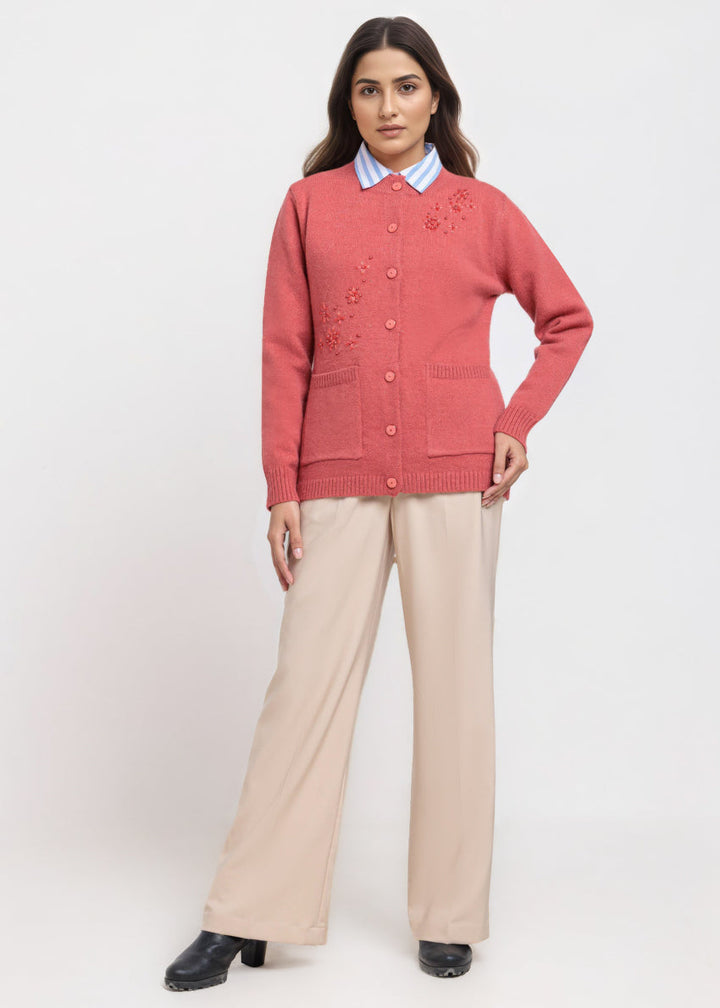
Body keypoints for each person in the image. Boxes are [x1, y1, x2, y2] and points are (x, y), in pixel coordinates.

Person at [164, 14, 593, 990]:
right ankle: (247, 912)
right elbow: (285, 352)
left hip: (457, 478)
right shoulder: (308, 206)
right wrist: (282, 485)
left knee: (456, 696)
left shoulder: (483, 210)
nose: (388, 107)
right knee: (302, 694)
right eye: (369, 89)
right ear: (347, 103)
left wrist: (516, 420)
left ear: (434, 97)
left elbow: (566, 319)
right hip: (336, 475)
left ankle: (450, 915)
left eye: (405, 87)